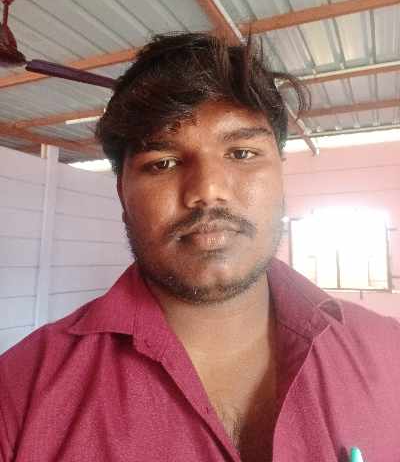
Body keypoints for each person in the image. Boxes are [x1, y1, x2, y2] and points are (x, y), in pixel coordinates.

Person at [0, 33, 399, 462]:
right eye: (163, 163)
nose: (208, 190)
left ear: (281, 176)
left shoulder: (389, 351)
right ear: (122, 194)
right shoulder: (17, 394)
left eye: (242, 153)